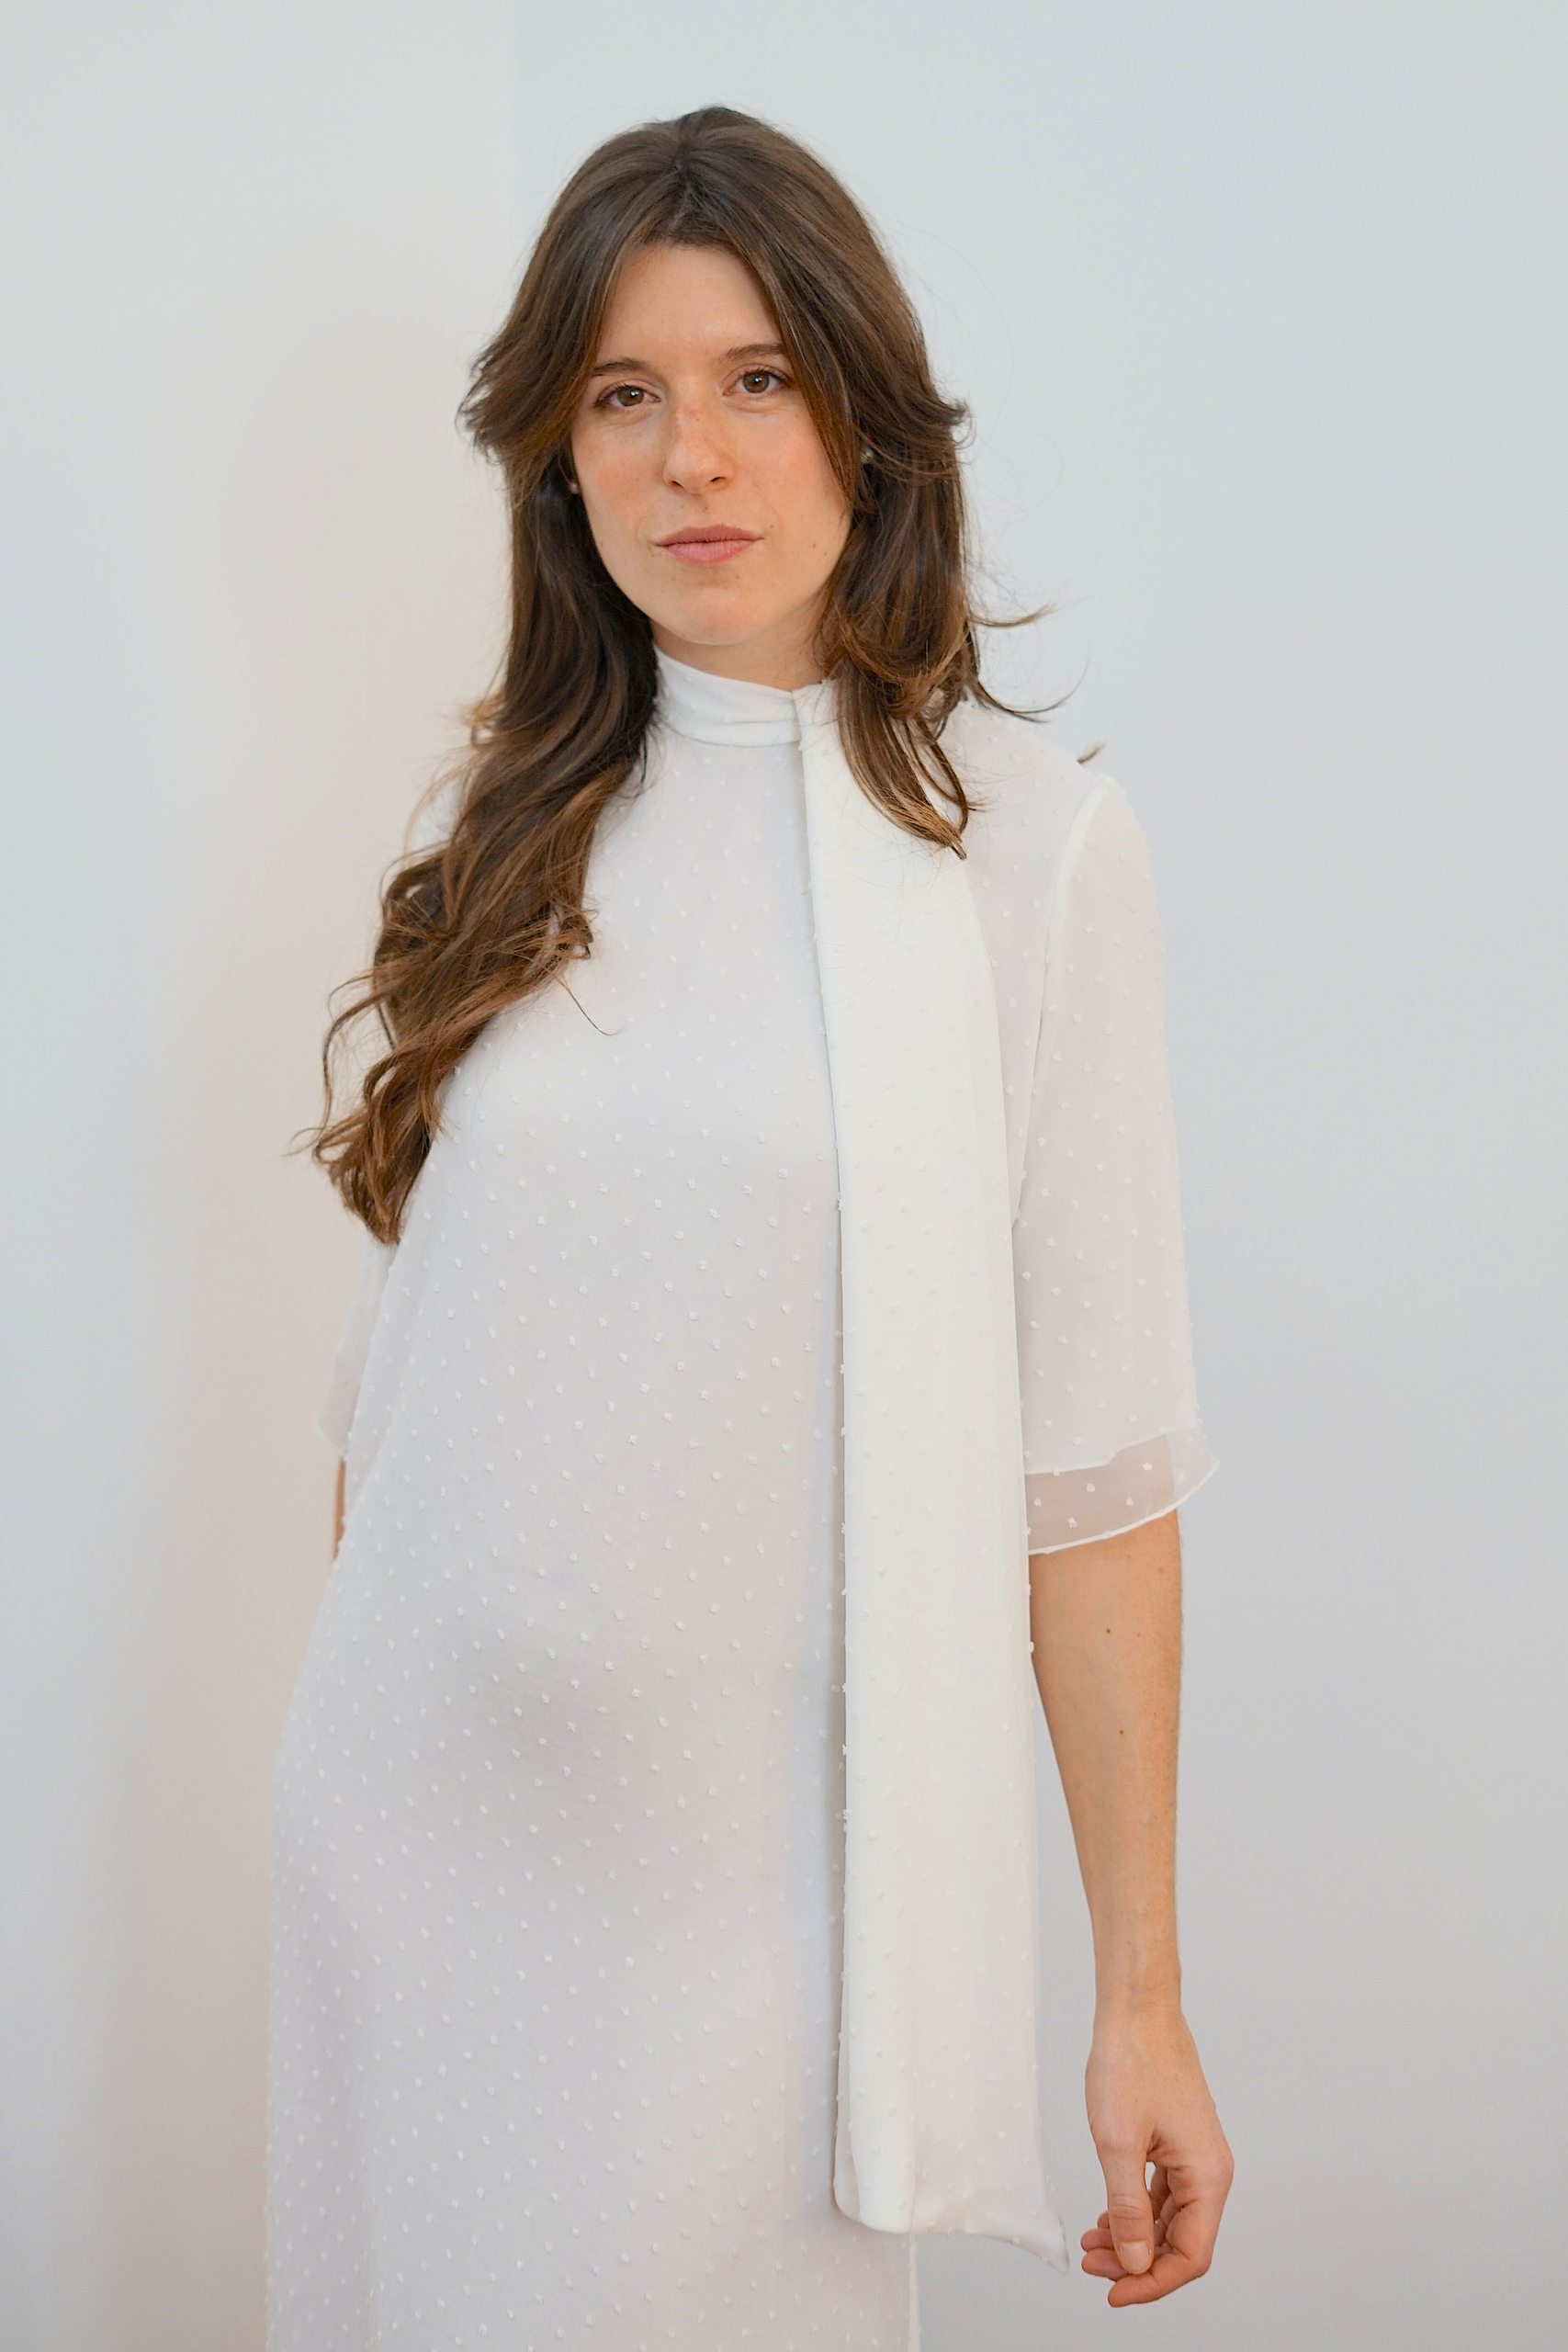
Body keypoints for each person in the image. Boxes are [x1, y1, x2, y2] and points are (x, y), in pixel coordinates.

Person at [270, 105, 1233, 2351]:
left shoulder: (1025, 858)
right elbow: (397, 1390)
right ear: (558, 452)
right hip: (412, 1843)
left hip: (759, 1914)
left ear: (863, 419)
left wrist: (1141, 1993)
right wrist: (346, 1748)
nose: (690, 453)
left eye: (756, 378)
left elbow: (1090, 1475)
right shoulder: (500, 828)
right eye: (623, 391)